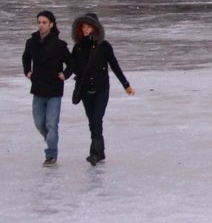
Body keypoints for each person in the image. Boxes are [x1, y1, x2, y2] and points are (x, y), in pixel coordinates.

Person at [70, 13, 134, 166]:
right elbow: (71, 66)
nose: (85, 29)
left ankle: (94, 153)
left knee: (96, 120)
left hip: (101, 89)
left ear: (96, 28)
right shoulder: (78, 47)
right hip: (85, 90)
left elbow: (115, 66)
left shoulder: (104, 46)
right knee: (93, 121)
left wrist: (126, 84)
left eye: (88, 26)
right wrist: (59, 76)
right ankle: (101, 151)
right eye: (83, 26)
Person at [21, 10, 73, 166]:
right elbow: (25, 57)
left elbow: (71, 62)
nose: (41, 25)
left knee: (51, 124)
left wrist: (65, 74)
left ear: (51, 24)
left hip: (54, 90)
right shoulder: (31, 42)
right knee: (39, 123)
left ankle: (51, 154)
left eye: (44, 22)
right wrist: (27, 71)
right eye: (39, 22)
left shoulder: (59, 45)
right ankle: (52, 141)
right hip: (37, 88)